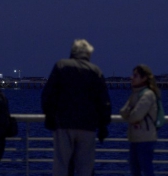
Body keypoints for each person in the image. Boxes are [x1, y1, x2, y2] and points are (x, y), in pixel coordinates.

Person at [41, 39, 112, 176]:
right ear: (88, 54)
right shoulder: (95, 71)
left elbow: (48, 95)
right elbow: (104, 102)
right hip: (87, 126)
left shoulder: (61, 66)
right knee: (85, 167)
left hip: (64, 124)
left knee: (61, 164)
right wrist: (103, 126)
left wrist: (49, 117)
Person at [120, 64, 160, 176]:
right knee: (135, 170)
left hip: (145, 139)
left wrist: (130, 113)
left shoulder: (148, 95)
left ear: (144, 78)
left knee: (146, 169)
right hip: (135, 139)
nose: (132, 77)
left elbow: (135, 116)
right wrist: (131, 113)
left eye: (135, 75)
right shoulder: (135, 94)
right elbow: (123, 112)